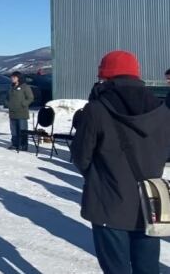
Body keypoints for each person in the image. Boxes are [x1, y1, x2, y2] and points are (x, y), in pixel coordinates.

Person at [72, 50, 170, 273]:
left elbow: (80, 156)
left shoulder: (96, 110)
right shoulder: (162, 111)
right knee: (148, 268)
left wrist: (99, 177)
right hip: (149, 203)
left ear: (105, 76)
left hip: (108, 204)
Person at [7, 71, 34, 151]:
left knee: (22, 130)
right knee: (14, 130)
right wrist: (8, 104)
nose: (12, 79)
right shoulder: (11, 87)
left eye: (14, 77)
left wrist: (23, 104)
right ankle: (15, 144)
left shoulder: (25, 87)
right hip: (12, 112)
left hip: (22, 112)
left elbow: (30, 98)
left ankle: (23, 145)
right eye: (11, 77)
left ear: (19, 78)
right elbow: (7, 98)